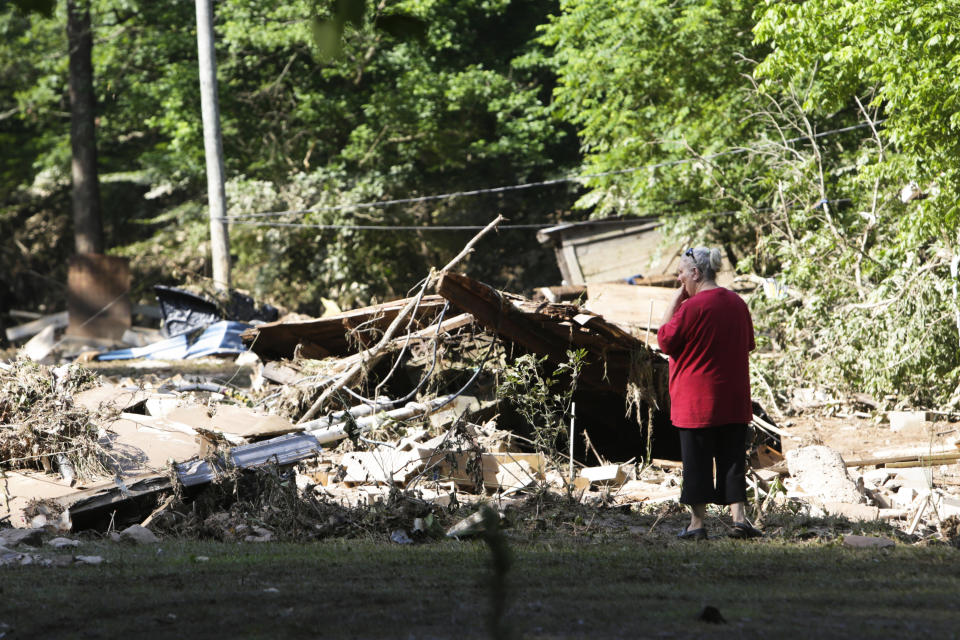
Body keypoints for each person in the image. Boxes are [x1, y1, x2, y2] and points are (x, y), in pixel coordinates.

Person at [656, 246, 761, 540]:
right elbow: (747, 344)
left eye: (681, 273)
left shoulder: (691, 307)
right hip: (733, 398)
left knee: (697, 462)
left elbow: (664, 339)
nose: (679, 279)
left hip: (696, 402)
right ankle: (740, 520)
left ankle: (697, 524)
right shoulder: (738, 303)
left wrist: (675, 300)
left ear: (696, 273)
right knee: (732, 461)